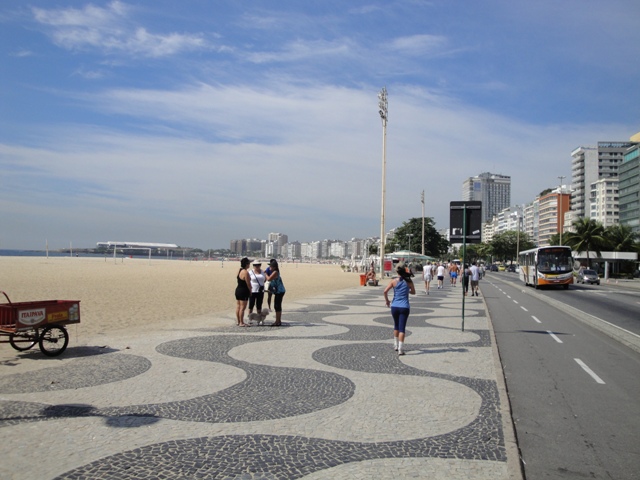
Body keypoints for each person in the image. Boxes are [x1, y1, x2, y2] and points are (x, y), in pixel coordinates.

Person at [383, 262, 416, 356]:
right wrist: (407, 291)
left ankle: (395, 345)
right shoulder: (409, 281)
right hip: (404, 307)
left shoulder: (393, 281)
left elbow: (385, 291)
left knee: (396, 325)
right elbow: (413, 292)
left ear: (397, 271)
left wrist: (387, 301)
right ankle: (401, 349)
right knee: (402, 328)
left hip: (394, 306)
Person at [266, 259, 286, 326]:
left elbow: (269, 279)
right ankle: (278, 320)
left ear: (274, 267)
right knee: (277, 306)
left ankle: (278, 321)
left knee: (277, 306)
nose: (269, 268)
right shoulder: (274, 272)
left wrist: (265, 273)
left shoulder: (275, 272)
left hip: (280, 291)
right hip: (278, 291)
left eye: (271, 267)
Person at [235, 257, 252, 327]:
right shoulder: (245, 272)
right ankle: (241, 322)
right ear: (246, 264)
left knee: (238, 306)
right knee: (242, 308)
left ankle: (238, 321)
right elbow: (248, 283)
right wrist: (250, 291)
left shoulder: (239, 270)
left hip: (238, 289)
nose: (249, 265)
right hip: (243, 291)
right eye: (249, 263)